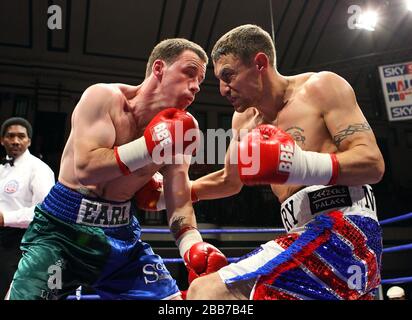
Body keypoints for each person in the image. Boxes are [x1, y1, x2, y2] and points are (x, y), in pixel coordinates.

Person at [7, 38, 227, 300]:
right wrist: (149, 147)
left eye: (200, 82)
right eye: (189, 74)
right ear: (159, 69)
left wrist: (191, 244)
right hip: (61, 234)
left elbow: (178, 200)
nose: (195, 87)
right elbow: (87, 168)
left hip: (121, 239)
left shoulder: (183, 133)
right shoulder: (103, 97)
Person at [183, 24, 385, 300]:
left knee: (208, 292)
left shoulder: (321, 87)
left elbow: (372, 163)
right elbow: (229, 181)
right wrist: (178, 191)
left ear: (260, 63)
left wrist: (298, 164)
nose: (222, 89)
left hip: (345, 225)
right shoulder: (243, 121)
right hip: (302, 232)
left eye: (228, 76)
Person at [0, 117, 55, 297]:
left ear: (29, 141)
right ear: (2, 140)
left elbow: (44, 212)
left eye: (21, 136)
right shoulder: (1, 168)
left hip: (20, 243)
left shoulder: (39, 169)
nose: (15, 141)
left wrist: (5, 218)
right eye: (10, 136)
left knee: (12, 293)